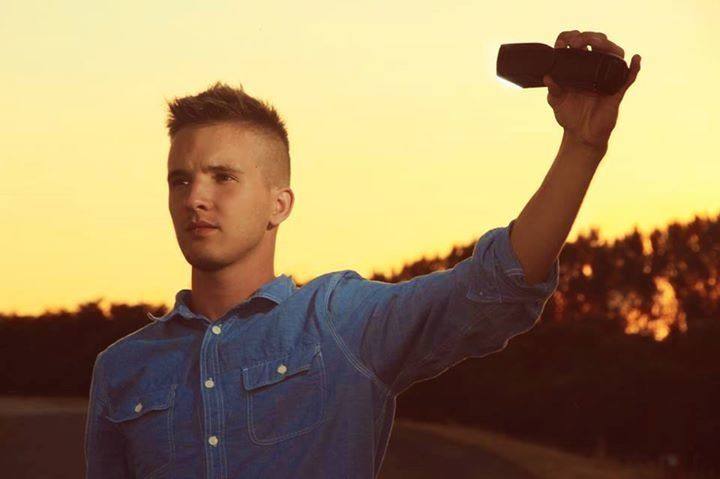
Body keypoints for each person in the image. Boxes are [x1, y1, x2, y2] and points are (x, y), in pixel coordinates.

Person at [84, 29, 641, 478]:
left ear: (279, 204)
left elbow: (493, 287)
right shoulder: (122, 370)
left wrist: (582, 146)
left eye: (222, 177)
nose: (196, 197)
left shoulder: (339, 323)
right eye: (179, 181)